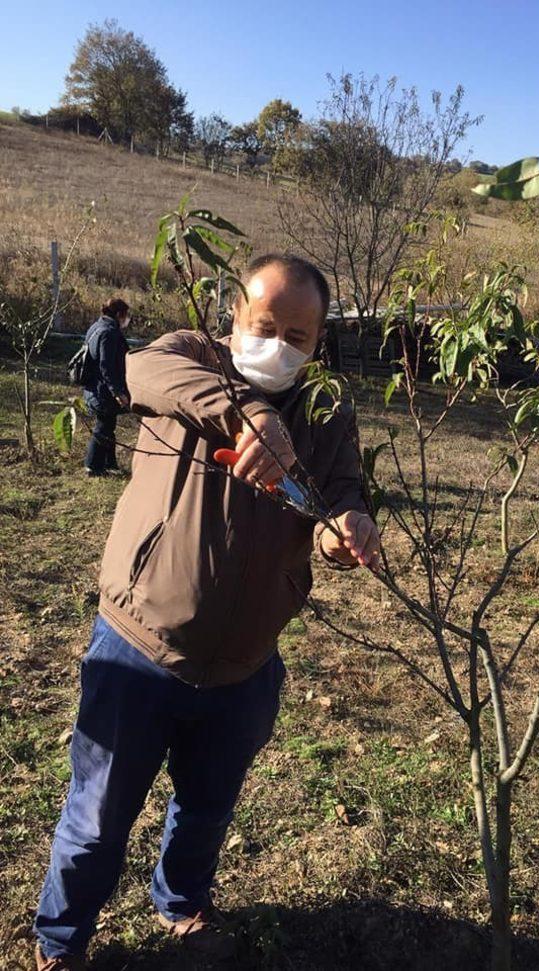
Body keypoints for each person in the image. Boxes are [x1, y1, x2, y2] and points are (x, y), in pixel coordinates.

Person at [33, 254, 380, 971]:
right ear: (234, 317)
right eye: (265, 325)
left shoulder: (325, 409)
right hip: (139, 646)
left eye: (298, 335)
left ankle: (182, 901)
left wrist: (346, 530)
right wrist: (248, 412)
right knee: (97, 820)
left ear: (318, 343)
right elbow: (138, 374)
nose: (278, 344)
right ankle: (61, 944)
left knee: (207, 808)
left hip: (245, 666)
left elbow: (337, 495)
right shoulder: (187, 354)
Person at [82, 298, 131, 477]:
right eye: (126, 315)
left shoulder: (96, 327)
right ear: (119, 314)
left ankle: (110, 463)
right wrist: (117, 392)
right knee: (103, 427)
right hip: (103, 391)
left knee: (108, 425)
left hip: (94, 387)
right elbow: (106, 366)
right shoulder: (109, 333)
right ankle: (93, 465)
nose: (127, 319)